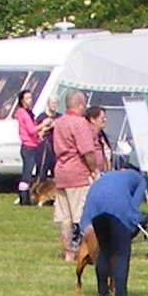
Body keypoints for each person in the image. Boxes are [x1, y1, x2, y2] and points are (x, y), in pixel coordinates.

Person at [78, 159, 148, 296]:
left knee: (105, 250)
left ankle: (103, 294)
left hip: (94, 206)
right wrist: (145, 219)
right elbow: (133, 208)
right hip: (116, 205)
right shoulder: (140, 179)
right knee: (121, 253)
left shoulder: (108, 175)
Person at [47, 93, 107, 266]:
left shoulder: (59, 122)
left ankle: (68, 253)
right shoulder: (80, 123)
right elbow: (87, 151)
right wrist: (94, 170)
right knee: (84, 216)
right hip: (78, 174)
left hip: (61, 173)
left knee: (64, 218)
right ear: (80, 104)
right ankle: (91, 253)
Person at [12, 91, 47, 206]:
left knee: (28, 172)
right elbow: (31, 130)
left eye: (31, 98)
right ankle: (23, 199)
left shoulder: (29, 113)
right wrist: (43, 124)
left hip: (32, 145)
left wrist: (39, 135)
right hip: (28, 147)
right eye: (27, 98)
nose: (30, 100)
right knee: (26, 174)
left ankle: (26, 197)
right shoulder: (23, 113)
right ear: (22, 100)